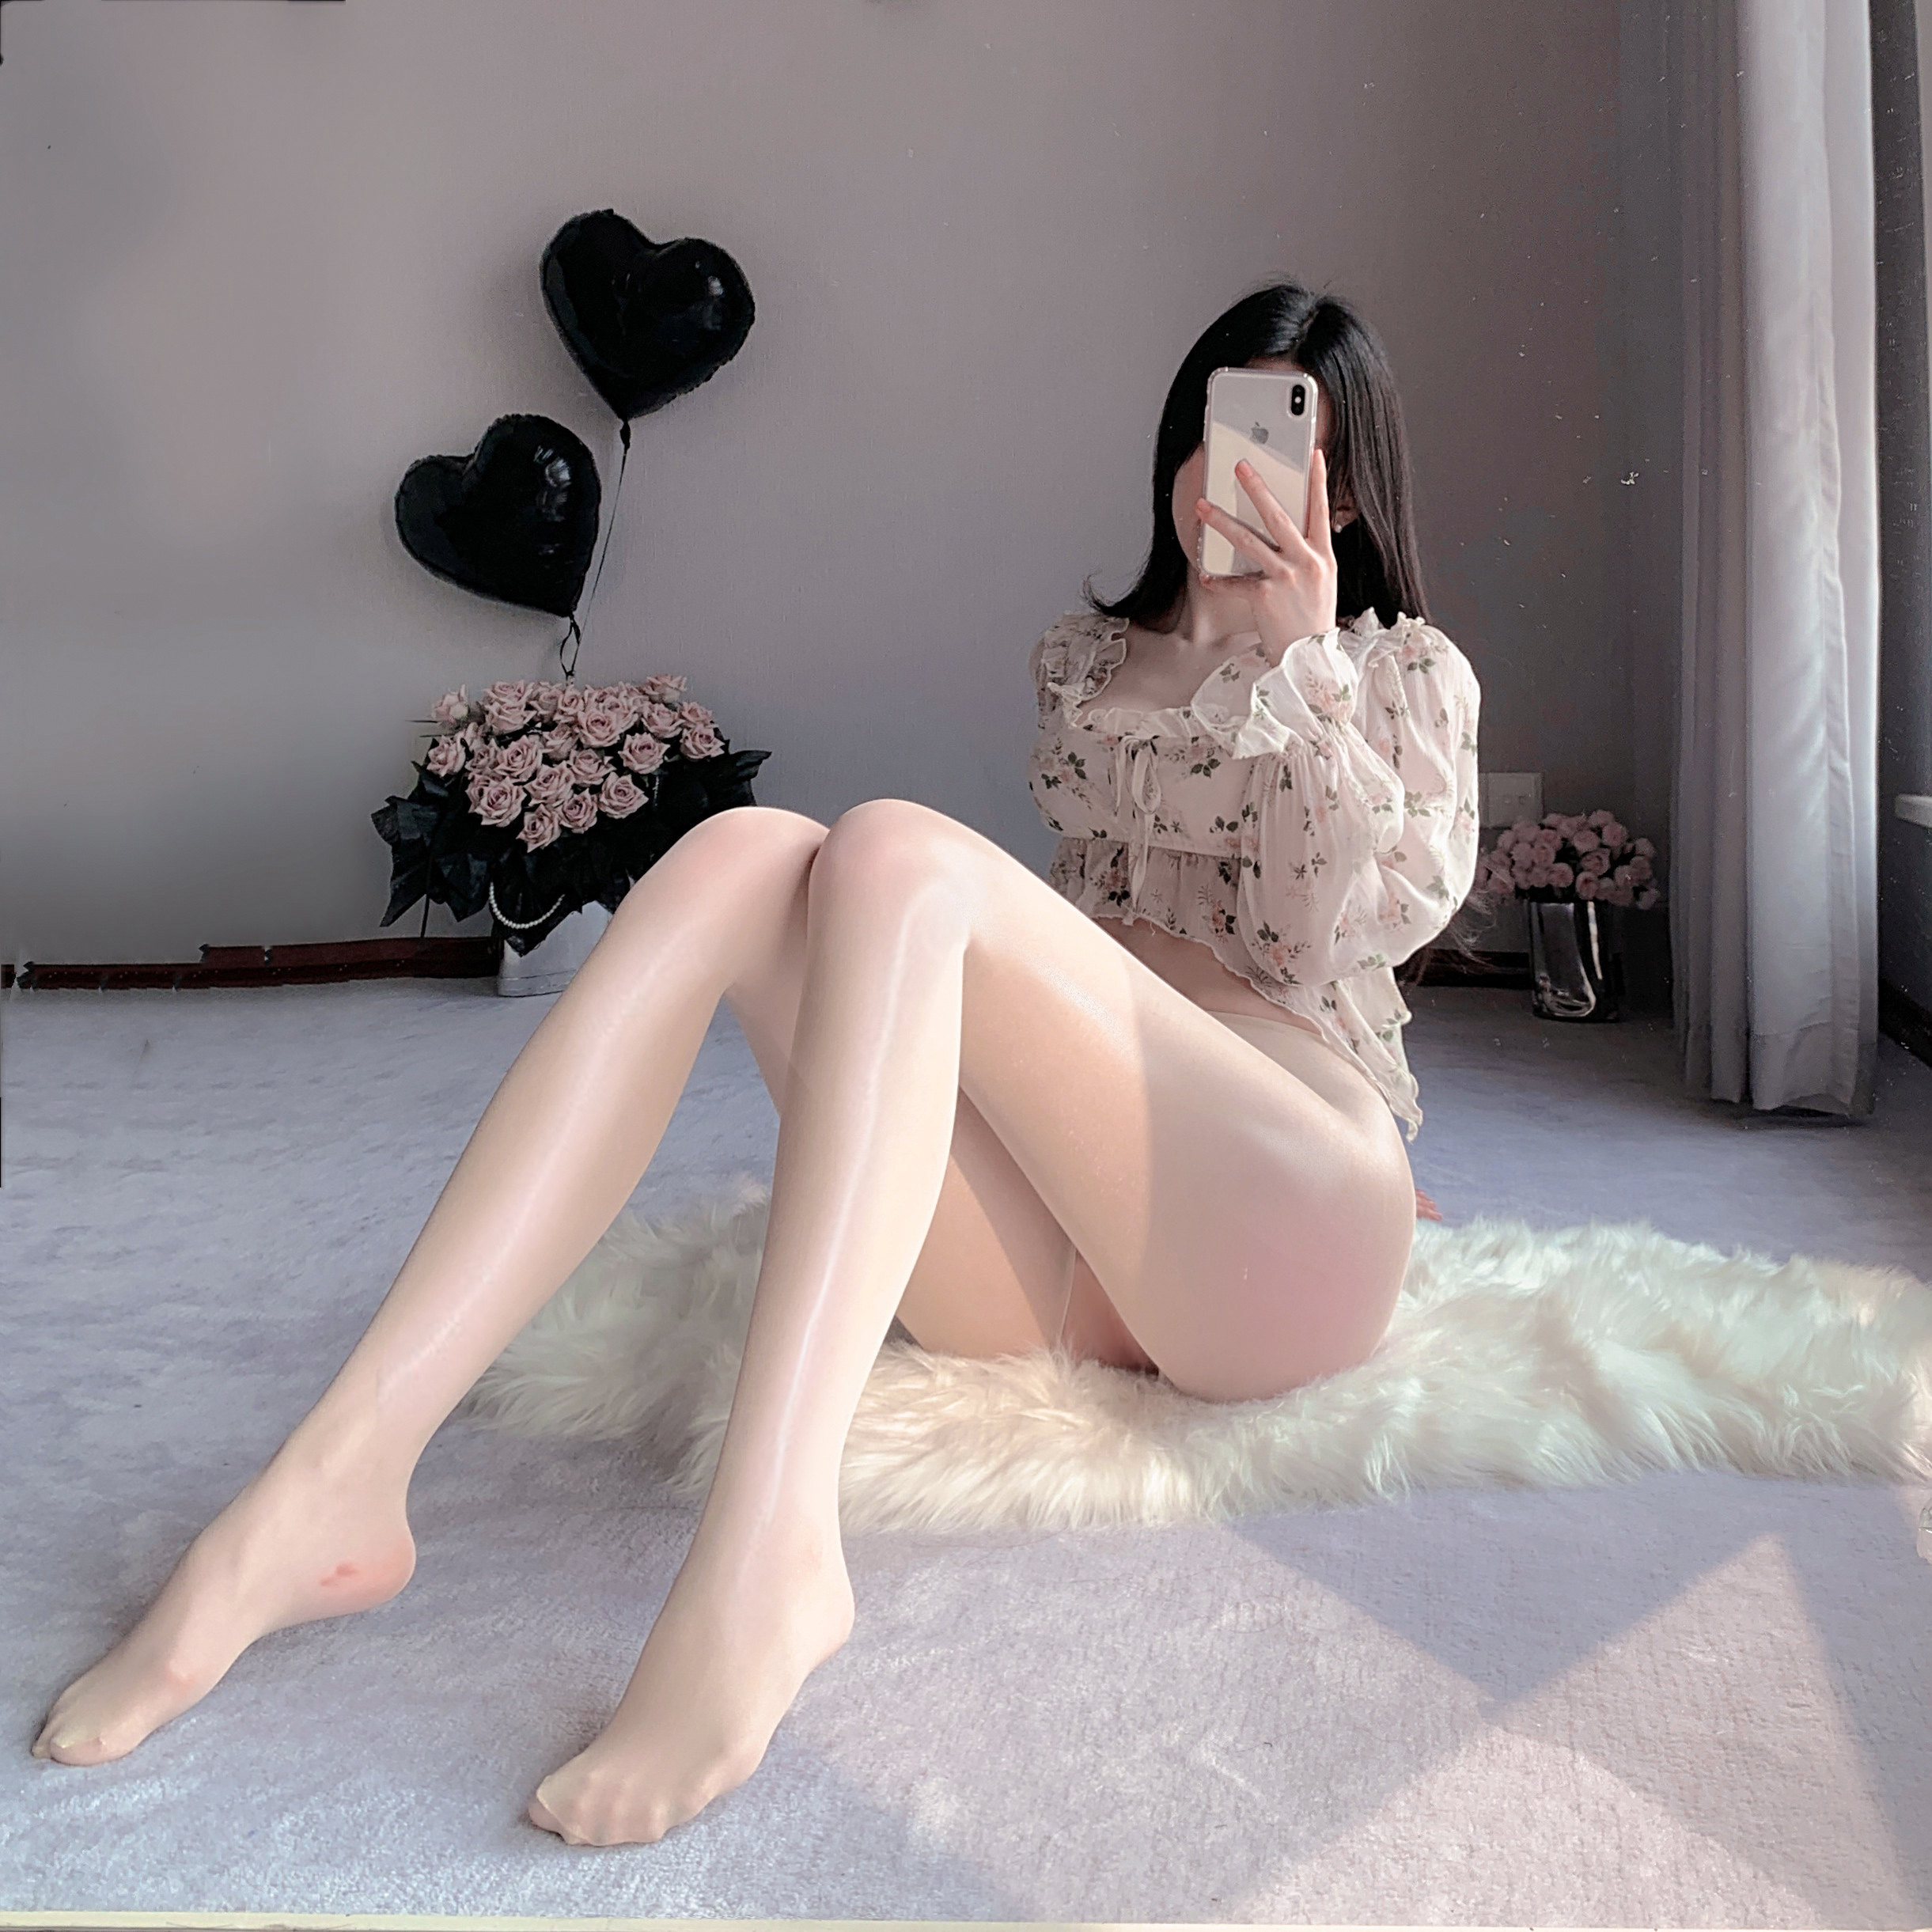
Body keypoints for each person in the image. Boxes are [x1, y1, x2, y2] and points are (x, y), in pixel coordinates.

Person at [32, 280, 1480, 1847]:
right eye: (1219, 427)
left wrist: (1300, 670)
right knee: (744, 854)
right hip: (1077, 1247)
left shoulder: (1401, 676)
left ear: (1346, 490)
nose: (1238, 474)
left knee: (898, 851)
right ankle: (338, 1472)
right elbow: (1076, 938)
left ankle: (766, 1551)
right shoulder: (1092, 663)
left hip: (1287, 1218)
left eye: (1289, 441)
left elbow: (1357, 924)